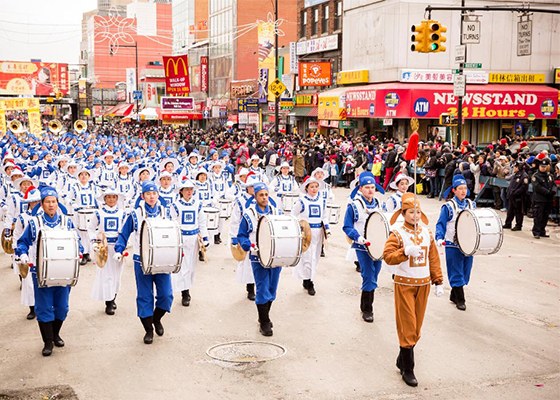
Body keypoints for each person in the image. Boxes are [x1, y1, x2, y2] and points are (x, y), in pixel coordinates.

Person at [383, 193, 444, 387]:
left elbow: (433, 258)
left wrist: (438, 280)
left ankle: (402, 359)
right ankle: (408, 369)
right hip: (405, 284)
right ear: (404, 213)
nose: (415, 216)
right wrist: (404, 252)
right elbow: (388, 256)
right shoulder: (397, 233)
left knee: (416, 328)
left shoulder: (427, 233)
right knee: (407, 326)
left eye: (418, 212)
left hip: (423, 284)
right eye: (411, 212)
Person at [15, 186, 83, 356]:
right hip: (41, 271)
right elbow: (22, 242)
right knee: (44, 307)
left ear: (58, 203)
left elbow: (77, 240)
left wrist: (79, 252)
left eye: (54, 202)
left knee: (62, 307)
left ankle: (55, 334)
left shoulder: (67, 222)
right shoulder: (34, 222)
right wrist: (22, 254)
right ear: (42, 205)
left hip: (64, 270)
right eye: (48, 202)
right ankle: (47, 342)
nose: (51, 205)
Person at [114, 182, 174, 344]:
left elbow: (174, 230)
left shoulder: (166, 212)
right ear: (142, 196)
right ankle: (148, 329)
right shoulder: (135, 214)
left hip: (162, 259)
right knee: (144, 296)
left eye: (154, 193)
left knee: (166, 295)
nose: (152, 196)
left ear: (158, 195)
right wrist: (119, 249)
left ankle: (156, 318)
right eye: (148, 194)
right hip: (141, 260)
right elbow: (124, 233)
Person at [237, 182, 281, 336]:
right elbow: (241, 235)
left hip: (275, 256)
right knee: (262, 288)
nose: (264, 197)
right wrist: (248, 245)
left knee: (272, 289)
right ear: (255, 196)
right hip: (257, 256)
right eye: (261, 195)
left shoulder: (276, 211)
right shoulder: (248, 214)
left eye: (266, 195)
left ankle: (264, 316)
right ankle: (264, 321)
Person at [342, 171, 385, 322]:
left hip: (378, 247)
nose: (370, 190)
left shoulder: (380, 203)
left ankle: (364, 304)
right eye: (367, 187)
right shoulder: (354, 206)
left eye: (373, 187)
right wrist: (358, 237)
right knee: (368, 275)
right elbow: (346, 227)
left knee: (375, 275)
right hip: (362, 246)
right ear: (360, 188)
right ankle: (368, 309)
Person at [435, 175, 475, 311]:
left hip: (468, 244)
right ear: (454, 190)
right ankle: (461, 299)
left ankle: (454, 295)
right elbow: (441, 223)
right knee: (456, 271)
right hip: (453, 243)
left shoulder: (470, 204)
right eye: (460, 189)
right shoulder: (448, 206)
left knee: (466, 271)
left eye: (465, 188)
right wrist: (439, 237)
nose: (463, 191)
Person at [170, 179, 209, 307]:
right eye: (186, 189)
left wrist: (205, 237)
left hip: (193, 239)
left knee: (191, 266)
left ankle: (187, 288)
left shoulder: (197, 204)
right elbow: (173, 224)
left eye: (191, 189)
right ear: (181, 191)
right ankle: (184, 292)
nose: (189, 192)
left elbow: (202, 222)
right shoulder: (175, 205)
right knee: (182, 267)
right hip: (181, 239)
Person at [88, 187, 127, 315]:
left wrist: (123, 247)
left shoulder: (122, 213)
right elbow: (91, 228)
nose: (111, 199)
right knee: (106, 274)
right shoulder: (98, 213)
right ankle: (108, 302)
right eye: (109, 197)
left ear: (117, 199)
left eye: (114, 197)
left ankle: (113, 297)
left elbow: (125, 231)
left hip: (117, 247)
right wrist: (95, 242)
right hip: (104, 248)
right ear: (105, 199)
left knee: (116, 274)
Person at [291, 177, 330, 295]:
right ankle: (309, 281)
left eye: (316, 186)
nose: (314, 189)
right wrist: (299, 227)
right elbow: (293, 214)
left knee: (315, 256)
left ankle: (308, 278)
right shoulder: (302, 201)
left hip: (318, 232)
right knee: (307, 257)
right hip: (306, 232)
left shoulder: (322, 200)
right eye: (311, 187)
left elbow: (324, 216)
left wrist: (327, 228)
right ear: (306, 188)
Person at [13, 187, 42, 320]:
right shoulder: (22, 217)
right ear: (28, 203)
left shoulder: (45, 216)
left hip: (43, 250)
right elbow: (18, 235)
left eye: (37, 201)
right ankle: (32, 307)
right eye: (32, 201)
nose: (35, 204)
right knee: (29, 281)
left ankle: (43, 306)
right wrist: (17, 253)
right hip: (28, 251)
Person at [531, 157, 557, 239]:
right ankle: (536, 231)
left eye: (545, 167)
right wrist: (547, 192)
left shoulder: (549, 176)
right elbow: (537, 187)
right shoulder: (536, 176)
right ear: (539, 166)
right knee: (538, 216)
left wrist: (553, 191)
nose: (543, 168)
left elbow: (554, 185)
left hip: (548, 199)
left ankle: (542, 231)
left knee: (545, 216)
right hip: (540, 199)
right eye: (542, 166)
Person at [503, 161, 529, 231]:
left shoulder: (524, 176)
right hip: (512, 196)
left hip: (519, 197)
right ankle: (508, 223)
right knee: (510, 210)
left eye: (515, 167)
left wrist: (515, 192)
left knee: (519, 212)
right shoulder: (515, 174)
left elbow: (524, 187)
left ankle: (518, 225)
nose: (514, 168)